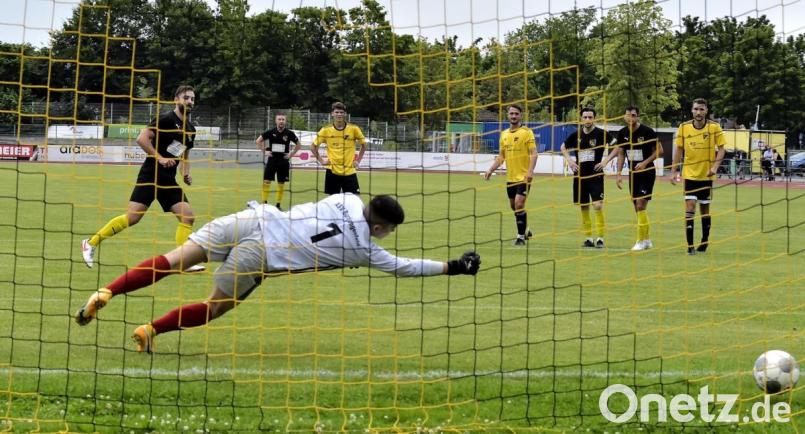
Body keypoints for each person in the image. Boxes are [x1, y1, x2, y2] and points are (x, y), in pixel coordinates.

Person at [74, 194, 481, 353]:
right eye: (389, 230)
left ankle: (107, 292)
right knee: (215, 307)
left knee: (172, 259)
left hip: (253, 217)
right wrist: (454, 268)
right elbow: (404, 267)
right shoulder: (365, 248)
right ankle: (151, 331)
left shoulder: (347, 197)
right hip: (264, 254)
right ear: (379, 229)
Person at [81, 85, 204, 272]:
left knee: (187, 217)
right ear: (176, 100)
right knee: (132, 218)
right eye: (186, 98)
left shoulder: (190, 129)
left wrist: (186, 173)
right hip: (151, 175)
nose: (190, 102)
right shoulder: (165, 119)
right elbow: (142, 138)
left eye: (192, 99)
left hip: (168, 180)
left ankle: (182, 261)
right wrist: (159, 157)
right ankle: (90, 243)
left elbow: (185, 156)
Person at [596, 106, 662, 251]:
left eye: (633, 115)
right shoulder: (622, 133)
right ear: (625, 117)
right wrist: (619, 173)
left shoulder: (648, 131)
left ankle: (639, 241)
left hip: (647, 172)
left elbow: (659, 150)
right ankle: (647, 239)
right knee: (637, 207)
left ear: (638, 116)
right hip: (633, 174)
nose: (630, 118)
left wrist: (645, 163)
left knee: (640, 204)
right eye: (628, 115)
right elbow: (621, 153)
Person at [671, 98, 726, 255]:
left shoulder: (714, 127)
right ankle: (690, 246)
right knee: (689, 206)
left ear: (706, 111)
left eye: (701, 109)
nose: (698, 112)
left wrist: (715, 167)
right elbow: (679, 149)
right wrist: (674, 170)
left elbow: (722, 149)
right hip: (689, 175)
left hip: (706, 176)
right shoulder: (684, 127)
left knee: (704, 208)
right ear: (692, 110)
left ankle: (705, 240)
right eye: (696, 109)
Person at [483, 104, 538, 246]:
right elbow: (501, 157)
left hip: (524, 177)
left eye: (516, 114)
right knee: (514, 206)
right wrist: (490, 169)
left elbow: (534, 153)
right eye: (511, 113)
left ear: (520, 115)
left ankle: (520, 237)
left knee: (519, 204)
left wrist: (530, 172)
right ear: (508, 115)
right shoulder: (504, 134)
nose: (513, 116)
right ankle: (526, 230)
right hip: (511, 178)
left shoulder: (527, 132)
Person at [561, 107, 607, 248]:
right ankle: (588, 238)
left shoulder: (601, 134)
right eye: (585, 117)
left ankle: (600, 238)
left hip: (596, 174)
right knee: (584, 206)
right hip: (580, 176)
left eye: (590, 117)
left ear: (594, 118)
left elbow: (617, 147)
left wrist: (605, 161)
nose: (587, 120)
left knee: (597, 205)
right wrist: (569, 160)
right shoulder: (576, 134)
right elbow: (563, 147)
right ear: (581, 118)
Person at [310, 102, 366, 195]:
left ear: (345, 114)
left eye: (341, 112)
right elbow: (313, 147)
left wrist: (358, 161)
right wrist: (322, 161)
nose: (339, 114)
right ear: (332, 114)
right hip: (332, 171)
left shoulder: (354, 129)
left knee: (355, 201)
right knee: (331, 203)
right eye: (337, 112)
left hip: (349, 171)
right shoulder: (325, 130)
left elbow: (364, 145)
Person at [255, 113, 301, 209]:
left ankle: (278, 205)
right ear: (276, 121)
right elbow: (258, 141)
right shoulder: (271, 132)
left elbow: (298, 145)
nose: (281, 121)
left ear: (285, 121)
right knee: (266, 181)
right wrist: (264, 152)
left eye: (283, 119)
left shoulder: (289, 133)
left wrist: (290, 154)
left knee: (281, 183)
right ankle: (264, 203)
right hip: (272, 160)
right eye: (279, 119)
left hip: (283, 161)